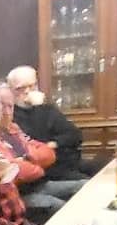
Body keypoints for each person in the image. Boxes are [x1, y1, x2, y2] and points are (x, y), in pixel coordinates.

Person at [0, 79, 70, 221]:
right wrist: (36, 166)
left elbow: (48, 153)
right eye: (2, 106)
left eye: (10, 106)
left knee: (83, 186)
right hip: (18, 195)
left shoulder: (13, 129)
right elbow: (12, 172)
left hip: (38, 185)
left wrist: (27, 158)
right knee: (64, 208)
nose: (7, 112)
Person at [6, 64, 89, 192]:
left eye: (32, 86)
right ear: (10, 91)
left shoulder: (47, 108)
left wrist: (52, 144)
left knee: (104, 167)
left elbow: (75, 135)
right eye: (20, 88)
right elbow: (34, 141)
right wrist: (37, 107)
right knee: (89, 185)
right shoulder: (11, 115)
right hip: (48, 172)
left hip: (68, 162)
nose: (27, 92)